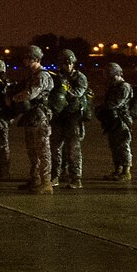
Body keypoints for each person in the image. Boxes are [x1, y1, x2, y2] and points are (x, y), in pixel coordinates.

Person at [7, 45, 54, 195]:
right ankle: (35, 179)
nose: (24, 60)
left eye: (26, 58)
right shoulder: (32, 75)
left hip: (40, 115)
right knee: (32, 149)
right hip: (32, 116)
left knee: (42, 149)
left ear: (33, 58)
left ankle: (46, 182)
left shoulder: (42, 75)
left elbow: (32, 93)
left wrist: (14, 98)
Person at [50, 48, 90, 189]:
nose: (66, 66)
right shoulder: (56, 77)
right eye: (64, 63)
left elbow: (77, 93)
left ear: (73, 63)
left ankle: (75, 178)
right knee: (54, 148)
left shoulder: (80, 77)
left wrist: (63, 90)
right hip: (59, 115)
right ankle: (54, 175)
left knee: (73, 149)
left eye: (69, 63)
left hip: (73, 116)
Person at [96, 61, 136, 180]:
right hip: (113, 120)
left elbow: (116, 103)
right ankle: (118, 169)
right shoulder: (112, 86)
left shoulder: (124, 86)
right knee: (114, 146)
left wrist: (102, 107)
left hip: (122, 120)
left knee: (123, 145)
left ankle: (126, 171)